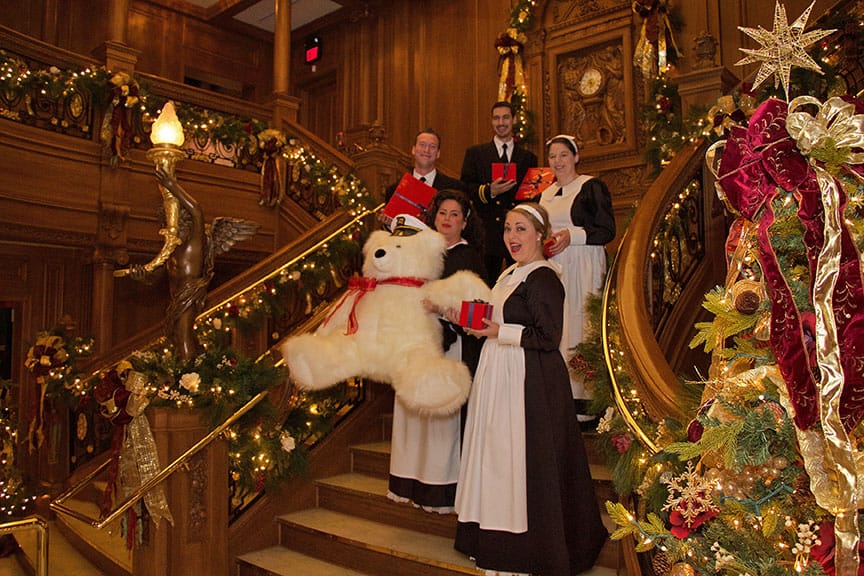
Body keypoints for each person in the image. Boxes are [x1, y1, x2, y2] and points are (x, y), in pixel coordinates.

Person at [453, 203, 607, 575]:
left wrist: (497, 331)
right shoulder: (509, 273)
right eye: (507, 228)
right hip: (499, 373)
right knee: (496, 457)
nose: (511, 236)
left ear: (540, 234)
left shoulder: (543, 277)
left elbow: (548, 336)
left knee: (521, 459)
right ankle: (490, 535)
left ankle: (529, 547)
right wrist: (479, 324)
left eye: (521, 229)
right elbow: (504, 318)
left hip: (528, 379)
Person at [387, 189, 487, 513]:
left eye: (455, 214)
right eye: (443, 213)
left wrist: (441, 308)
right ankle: (408, 483)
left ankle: (440, 492)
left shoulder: (468, 258)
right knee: (413, 417)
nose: (447, 219)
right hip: (416, 345)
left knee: (440, 421)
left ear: (465, 221)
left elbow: (479, 312)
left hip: (450, 347)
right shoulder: (420, 251)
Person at [540, 135, 616, 422]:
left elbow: (607, 230)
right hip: (556, 265)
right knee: (560, 324)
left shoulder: (591, 186)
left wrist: (572, 236)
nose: (557, 161)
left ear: (575, 157)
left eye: (563, 155)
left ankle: (589, 405)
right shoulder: (545, 194)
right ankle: (561, 399)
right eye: (552, 157)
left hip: (584, 263)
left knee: (582, 324)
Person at [460, 101, 538, 282]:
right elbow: (465, 187)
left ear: (514, 119)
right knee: (483, 285)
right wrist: (489, 191)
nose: (501, 122)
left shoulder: (528, 157)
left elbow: (532, 194)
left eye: (505, 117)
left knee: (519, 282)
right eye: (496, 118)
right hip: (486, 232)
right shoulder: (476, 153)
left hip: (518, 232)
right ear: (491, 121)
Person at [380, 129, 465, 226]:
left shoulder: (454, 188)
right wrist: (388, 224)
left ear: (438, 154)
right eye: (422, 145)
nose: (426, 150)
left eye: (432, 147)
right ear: (413, 149)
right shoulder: (393, 190)